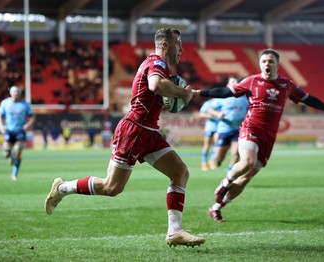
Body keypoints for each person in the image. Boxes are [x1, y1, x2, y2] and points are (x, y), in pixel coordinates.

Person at [44, 28, 205, 247]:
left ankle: (174, 231)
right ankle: (62, 188)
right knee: (112, 188)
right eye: (178, 43)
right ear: (165, 45)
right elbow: (155, 85)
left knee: (180, 172)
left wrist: (180, 93)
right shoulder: (157, 62)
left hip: (148, 131)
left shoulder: (157, 66)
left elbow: (156, 93)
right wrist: (182, 93)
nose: (182, 49)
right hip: (134, 130)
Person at [193, 48, 324, 222]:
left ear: (277, 65)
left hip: (269, 136)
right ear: (260, 64)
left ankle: (216, 207)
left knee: (246, 177)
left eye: (271, 61)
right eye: (264, 61)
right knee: (247, 162)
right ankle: (224, 184)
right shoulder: (251, 81)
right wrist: (200, 93)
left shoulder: (287, 85)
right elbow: (227, 92)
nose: (267, 64)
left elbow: (307, 99)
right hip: (251, 128)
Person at [208, 77, 248, 172]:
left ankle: (230, 173)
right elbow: (210, 110)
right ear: (227, 85)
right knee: (219, 157)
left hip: (239, 129)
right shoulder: (221, 98)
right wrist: (218, 114)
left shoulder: (245, 98)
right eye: (233, 82)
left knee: (236, 153)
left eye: (237, 82)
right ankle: (217, 160)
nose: (235, 83)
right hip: (224, 129)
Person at [0, 86, 35, 181]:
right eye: (14, 92)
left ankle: (14, 173)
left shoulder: (25, 104)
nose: (16, 94)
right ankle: (11, 157)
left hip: (20, 131)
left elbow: (32, 117)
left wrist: (27, 125)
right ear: (11, 93)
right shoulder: (5, 103)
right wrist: (1, 126)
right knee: (6, 153)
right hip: (9, 131)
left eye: (17, 92)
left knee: (18, 151)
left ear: (20, 93)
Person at [199, 98, 219, 171]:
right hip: (210, 127)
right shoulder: (208, 103)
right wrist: (210, 116)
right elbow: (201, 114)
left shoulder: (223, 101)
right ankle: (204, 162)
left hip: (219, 127)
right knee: (207, 145)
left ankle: (212, 160)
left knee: (217, 145)